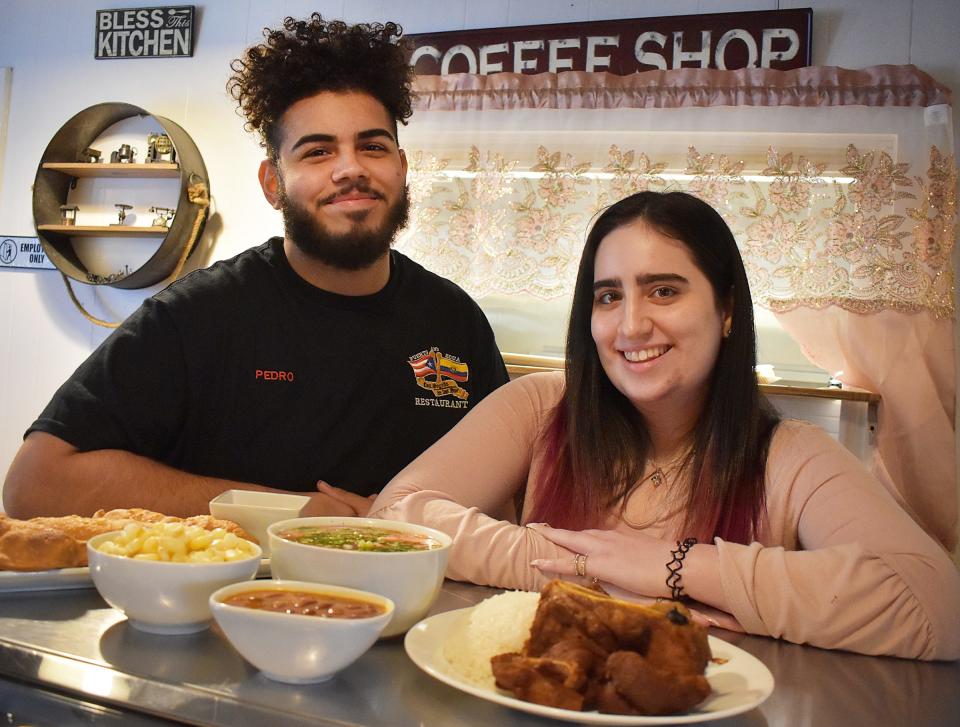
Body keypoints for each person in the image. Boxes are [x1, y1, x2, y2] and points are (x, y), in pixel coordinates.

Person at [369, 190, 960, 660]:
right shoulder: (541, 406)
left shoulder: (790, 455)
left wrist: (670, 568)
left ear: (726, 309)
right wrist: (587, 571)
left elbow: (935, 605)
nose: (631, 325)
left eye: (664, 291)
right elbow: (396, 515)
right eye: (608, 296)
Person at [3, 14, 507, 520]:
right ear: (273, 184)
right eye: (317, 151)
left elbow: (511, 497)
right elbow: (36, 484)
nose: (351, 168)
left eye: (372, 147)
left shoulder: (455, 322)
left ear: (400, 168)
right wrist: (283, 512)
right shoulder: (198, 316)